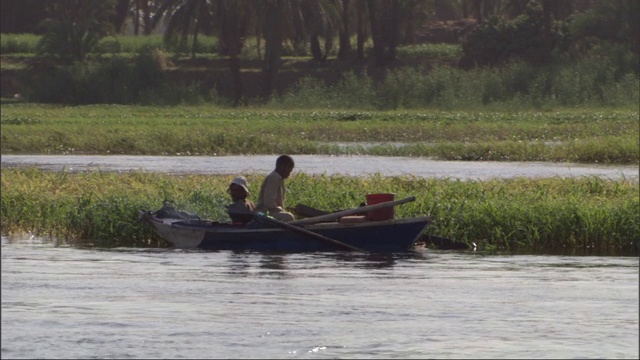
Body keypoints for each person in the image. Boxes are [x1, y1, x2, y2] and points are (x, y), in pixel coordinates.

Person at [255, 155, 295, 222]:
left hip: (269, 213)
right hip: (263, 214)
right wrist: (281, 210)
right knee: (288, 217)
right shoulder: (274, 178)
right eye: (289, 169)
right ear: (282, 166)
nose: (289, 173)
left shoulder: (278, 178)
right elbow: (269, 203)